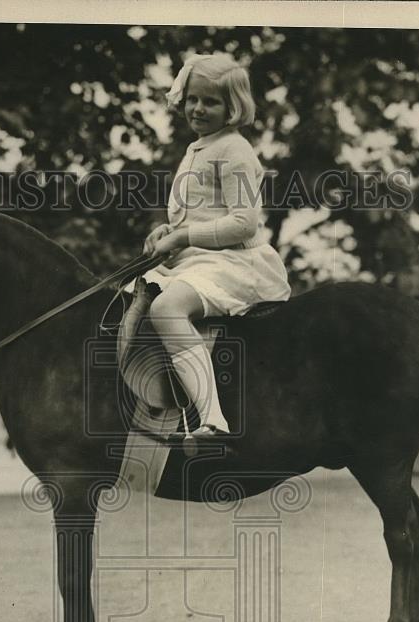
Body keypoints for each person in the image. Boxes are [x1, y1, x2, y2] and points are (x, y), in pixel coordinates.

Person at [139, 52, 291, 439]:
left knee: (167, 308)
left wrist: (183, 236)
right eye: (193, 99)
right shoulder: (199, 148)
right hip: (199, 261)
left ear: (232, 106)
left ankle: (212, 419)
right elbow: (199, 214)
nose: (198, 108)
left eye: (211, 101)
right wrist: (165, 232)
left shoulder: (235, 150)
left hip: (235, 263)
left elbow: (243, 223)